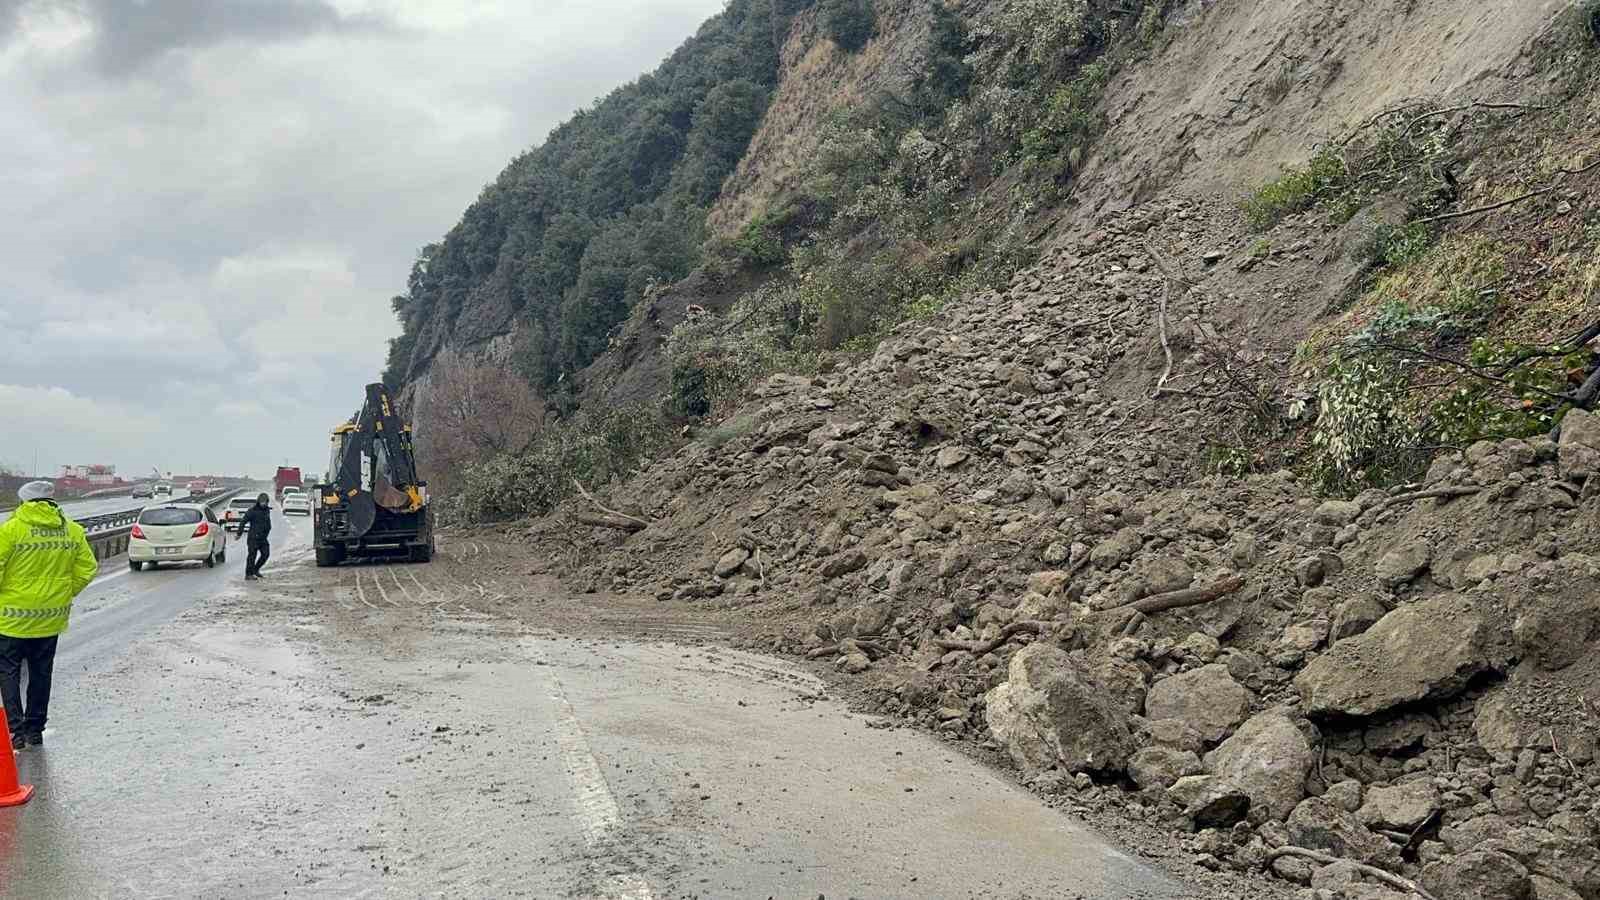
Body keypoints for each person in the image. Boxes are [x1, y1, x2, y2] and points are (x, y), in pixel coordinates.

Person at [0, 481, 96, 751]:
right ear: (52, 502)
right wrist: (64, 593)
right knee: (41, 673)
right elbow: (88, 568)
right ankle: (35, 730)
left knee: (8, 673)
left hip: (12, 618)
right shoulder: (72, 530)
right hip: (50, 617)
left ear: (23, 502)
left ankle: (14, 731)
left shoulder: (10, 530)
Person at [238, 493, 273, 581]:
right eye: (262, 502)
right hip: (253, 538)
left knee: (266, 554)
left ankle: (255, 569)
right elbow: (243, 522)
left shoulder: (267, 510)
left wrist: (267, 532)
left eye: (265, 502)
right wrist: (239, 533)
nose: (263, 503)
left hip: (263, 538)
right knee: (252, 556)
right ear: (258, 501)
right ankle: (248, 574)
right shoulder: (252, 511)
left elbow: (268, 524)